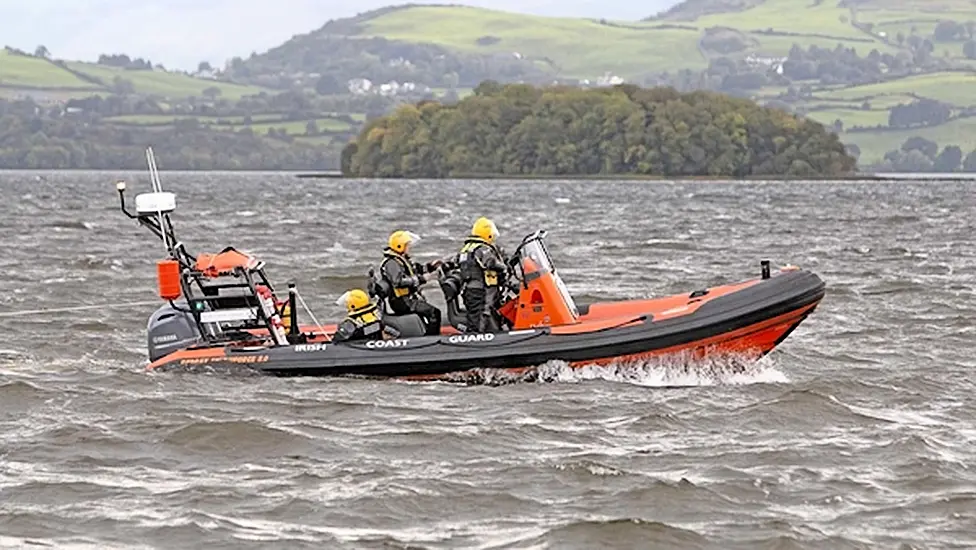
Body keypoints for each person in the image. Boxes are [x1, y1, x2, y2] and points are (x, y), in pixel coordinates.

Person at [376, 230, 443, 336]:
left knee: (428, 311)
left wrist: (431, 266)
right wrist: (421, 279)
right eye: (407, 245)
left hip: (408, 299)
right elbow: (397, 281)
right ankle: (432, 339)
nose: (409, 248)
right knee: (434, 313)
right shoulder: (391, 263)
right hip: (402, 302)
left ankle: (424, 332)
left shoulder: (402, 260)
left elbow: (416, 269)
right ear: (399, 246)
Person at [456, 217, 509, 333]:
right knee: (481, 319)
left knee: (479, 317)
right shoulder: (483, 249)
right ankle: (476, 340)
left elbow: (455, 263)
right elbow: (491, 263)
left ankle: (489, 334)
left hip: (470, 290)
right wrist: (505, 267)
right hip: (481, 291)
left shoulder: (467, 249)